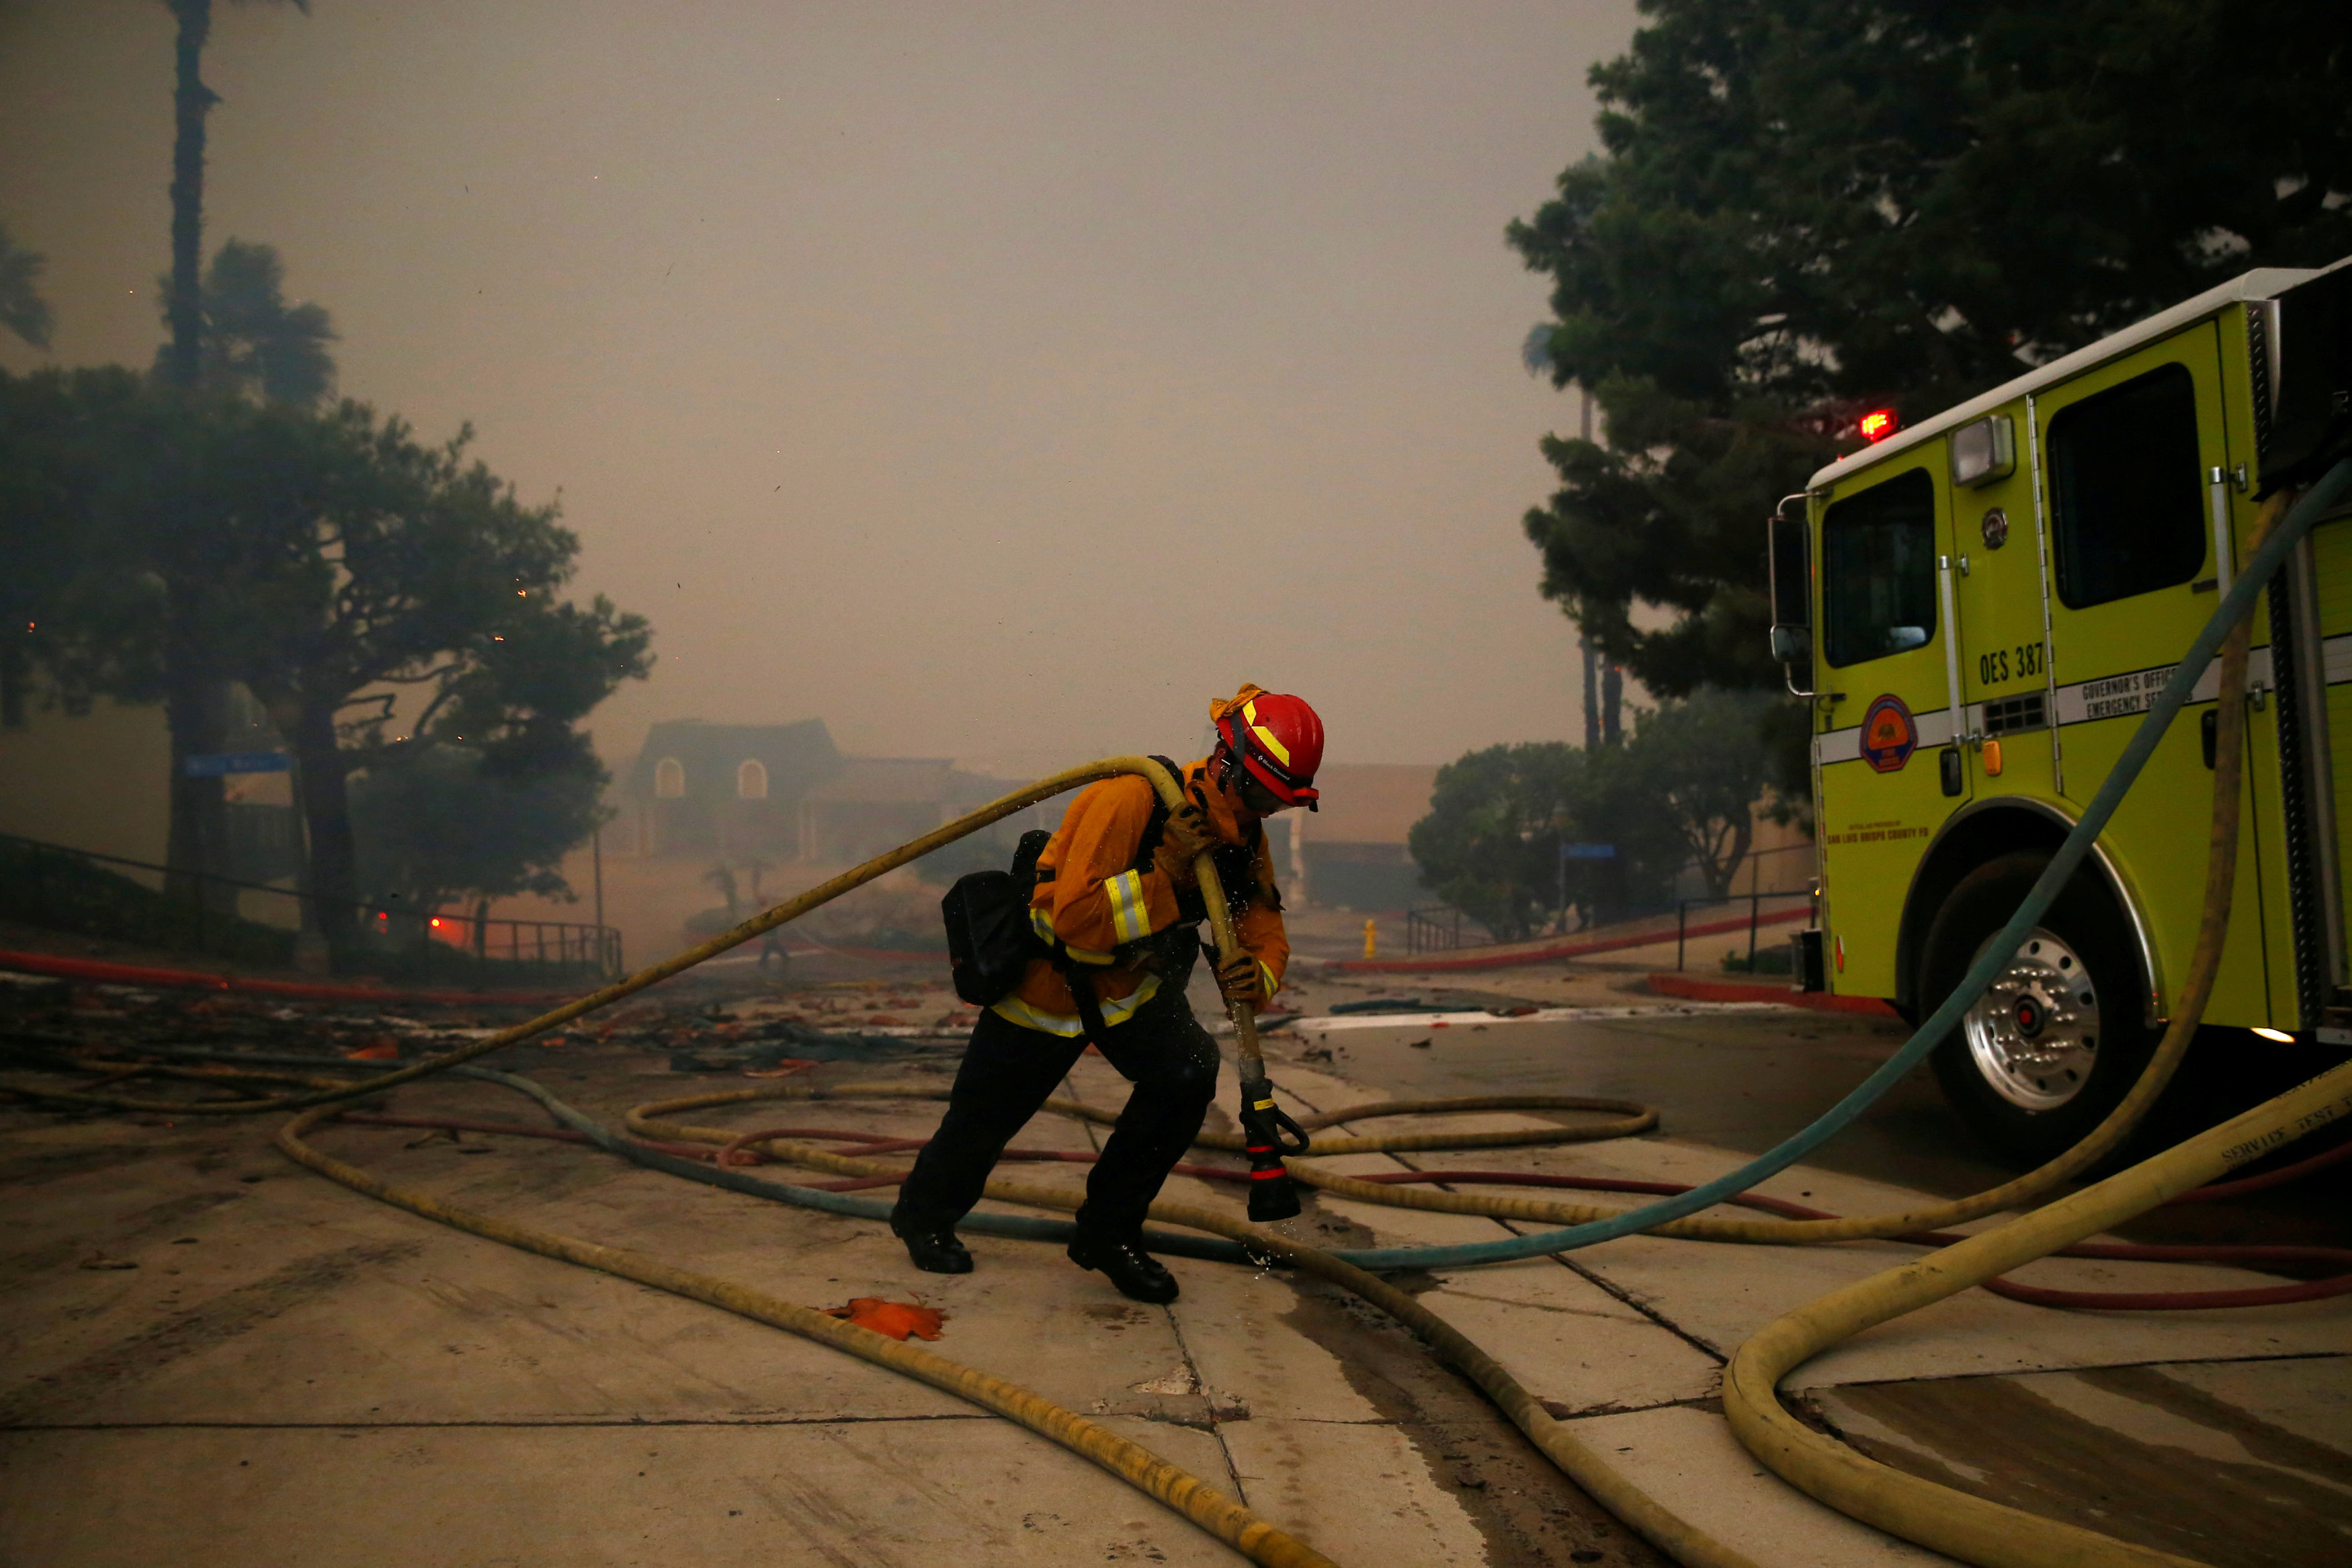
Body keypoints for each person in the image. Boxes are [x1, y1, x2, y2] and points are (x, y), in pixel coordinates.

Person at [890, 684, 1325, 1303]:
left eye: (1277, 803)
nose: (1264, 812)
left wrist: (1260, 975)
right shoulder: (1131, 797)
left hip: (1130, 993)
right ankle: (924, 1216)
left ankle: (1108, 1232)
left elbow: (1263, 925)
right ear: (1226, 762)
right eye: (1258, 793)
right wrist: (1167, 877)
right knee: (983, 1121)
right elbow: (1075, 917)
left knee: (1188, 1076)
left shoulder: (1244, 837)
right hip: (1045, 989)